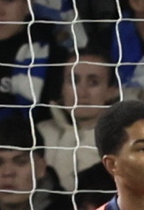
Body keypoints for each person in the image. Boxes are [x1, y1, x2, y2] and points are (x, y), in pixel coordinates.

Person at [41, 50, 122, 194]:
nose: (82, 92)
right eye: (73, 81)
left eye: (93, 82)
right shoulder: (39, 134)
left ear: (112, 91)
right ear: (61, 88)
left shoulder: (124, 139)